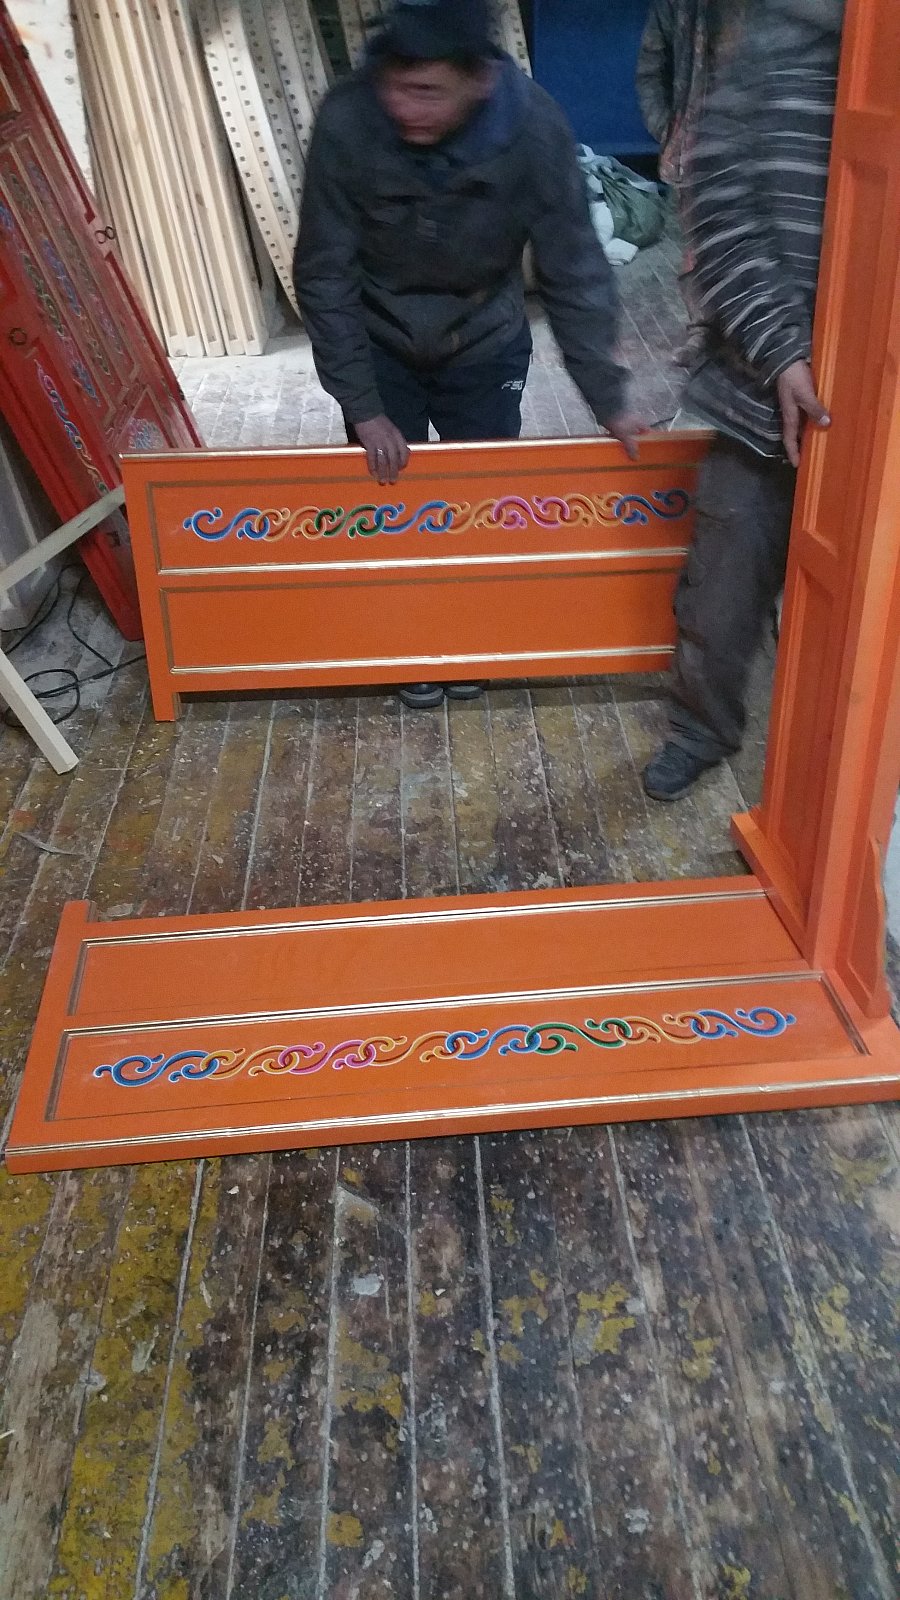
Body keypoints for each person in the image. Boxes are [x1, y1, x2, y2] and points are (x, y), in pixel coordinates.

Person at [294, 0, 641, 711]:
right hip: (380, 333)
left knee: (478, 501)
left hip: (484, 332)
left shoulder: (534, 127)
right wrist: (362, 407)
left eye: (427, 92)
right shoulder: (348, 120)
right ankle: (408, 642)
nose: (404, 107)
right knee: (388, 502)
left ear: (480, 79)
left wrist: (607, 396)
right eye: (395, 86)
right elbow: (324, 273)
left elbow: (574, 265)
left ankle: (470, 635)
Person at [643, 0, 844, 802]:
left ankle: (852, 769)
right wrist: (782, 352)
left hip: (877, 411)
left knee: (858, 610)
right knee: (721, 589)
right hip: (758, 394)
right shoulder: (769, 59)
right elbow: (721, 219)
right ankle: (701, 728)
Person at [635, 0, 737, 366]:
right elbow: (650, 68)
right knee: (700, 248)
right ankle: (703, 331)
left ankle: (752, 340)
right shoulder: (678, 5)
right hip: (697, 146)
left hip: (762, 144)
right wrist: (666, 129)